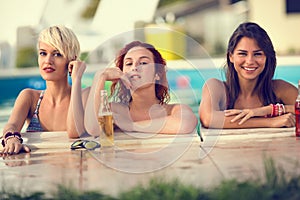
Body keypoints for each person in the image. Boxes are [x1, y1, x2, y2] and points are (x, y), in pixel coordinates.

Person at [1, 25, 88, 155]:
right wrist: (12, 138)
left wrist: (77, 79)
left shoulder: (83, 97)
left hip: (72, 170)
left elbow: (75, 133)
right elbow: (12, 125)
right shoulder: (30, 98)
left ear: (72, 60)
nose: (48, 61)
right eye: (43, 53)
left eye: (57, 54)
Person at [84, 41, 198, 135]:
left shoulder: (174, 110)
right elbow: (93, 130)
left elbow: (185, 125)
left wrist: (129, 125)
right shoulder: (113, 110)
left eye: (143, 63)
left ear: (157, 74)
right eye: (129, 64)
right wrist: (100, 77)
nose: (134, 67)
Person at [199, 22, 297, 129]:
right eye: (242, 54)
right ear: (231, 56)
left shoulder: (279, 89)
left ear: (267, 57)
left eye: (257, 54)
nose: (250, 61)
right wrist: (270, 122)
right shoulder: (217, 87)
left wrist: (269, 110)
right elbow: (208, 119)